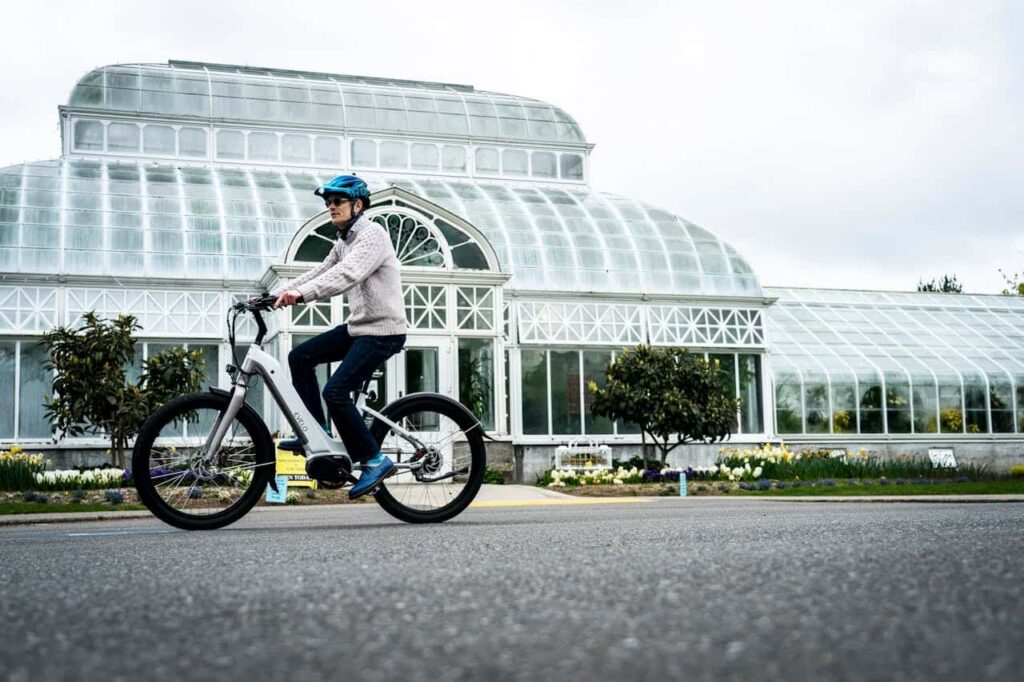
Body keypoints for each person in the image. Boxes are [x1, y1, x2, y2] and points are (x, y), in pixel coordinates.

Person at [271, 175, 407, 499]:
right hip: (359, 328)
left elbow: (347, 275)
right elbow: (320, 271)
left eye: (337, 202)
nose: (330, 207)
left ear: (357, 205)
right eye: (328, 202)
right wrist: (279, 293)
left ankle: (374, 460)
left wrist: (301, 296)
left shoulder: (372, 235)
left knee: (335, 392)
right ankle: (316, 435)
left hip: (383, 331)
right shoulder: (344, 240)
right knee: (299, 357)